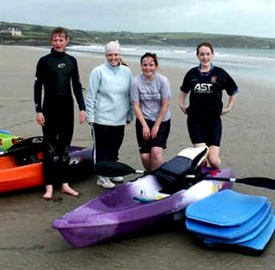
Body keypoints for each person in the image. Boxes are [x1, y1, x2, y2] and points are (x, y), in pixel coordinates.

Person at [34, 27, 86, 200]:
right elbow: (37, 86)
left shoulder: (72, 61)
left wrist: (82, 108)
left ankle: (64, 184)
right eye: (55, 39)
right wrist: (38, 110)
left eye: (61, 39)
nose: (58, 42)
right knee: (49, 148)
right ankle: (48, 187)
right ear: (51, 41)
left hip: (66, 110)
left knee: (64, 148)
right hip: (49, 109)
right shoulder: (44, 61)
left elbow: (76, 86)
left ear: (66, 40)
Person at [179, 42, 239, 168]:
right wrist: (181, 104)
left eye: (207, 54)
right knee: (202, 157)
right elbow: (183, 90)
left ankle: (218, 175)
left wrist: (228, 108)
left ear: (212, 55)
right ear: (197, 56)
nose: (205, 57)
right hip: (195, 120)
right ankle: (202, 177)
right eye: (202, 54)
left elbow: (233, 91)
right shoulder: (192, 74)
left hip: (213, 121)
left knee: (213, 160)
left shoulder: (220, 73)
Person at [86, 40, 133, 189]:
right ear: (106, 55)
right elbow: (91, 95)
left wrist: (130, 113)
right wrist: (90, 116)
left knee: (114, 148)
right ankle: (102, 176)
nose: (113, 58)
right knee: (102, 149)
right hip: (101, 118)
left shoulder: (127, 71)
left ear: (120, 55)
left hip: (119, 118)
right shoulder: (98, 71)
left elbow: (130, 95)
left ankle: (112, 171)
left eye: (116, 54)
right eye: (110, 55)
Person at [130, 52, 172, 172]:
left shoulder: (163, 81)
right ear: (141, 66)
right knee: (145, 156)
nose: (148, 68)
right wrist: (144, 125)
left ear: (156, 66)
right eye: (145, 65)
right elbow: (136, 105)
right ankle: (152, 175)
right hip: (144, 119)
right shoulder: (135, 82)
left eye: (151, 65)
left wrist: (157, 125)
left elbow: (165, 104)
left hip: (162, 120)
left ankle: (157, 177)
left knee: (156, 152)